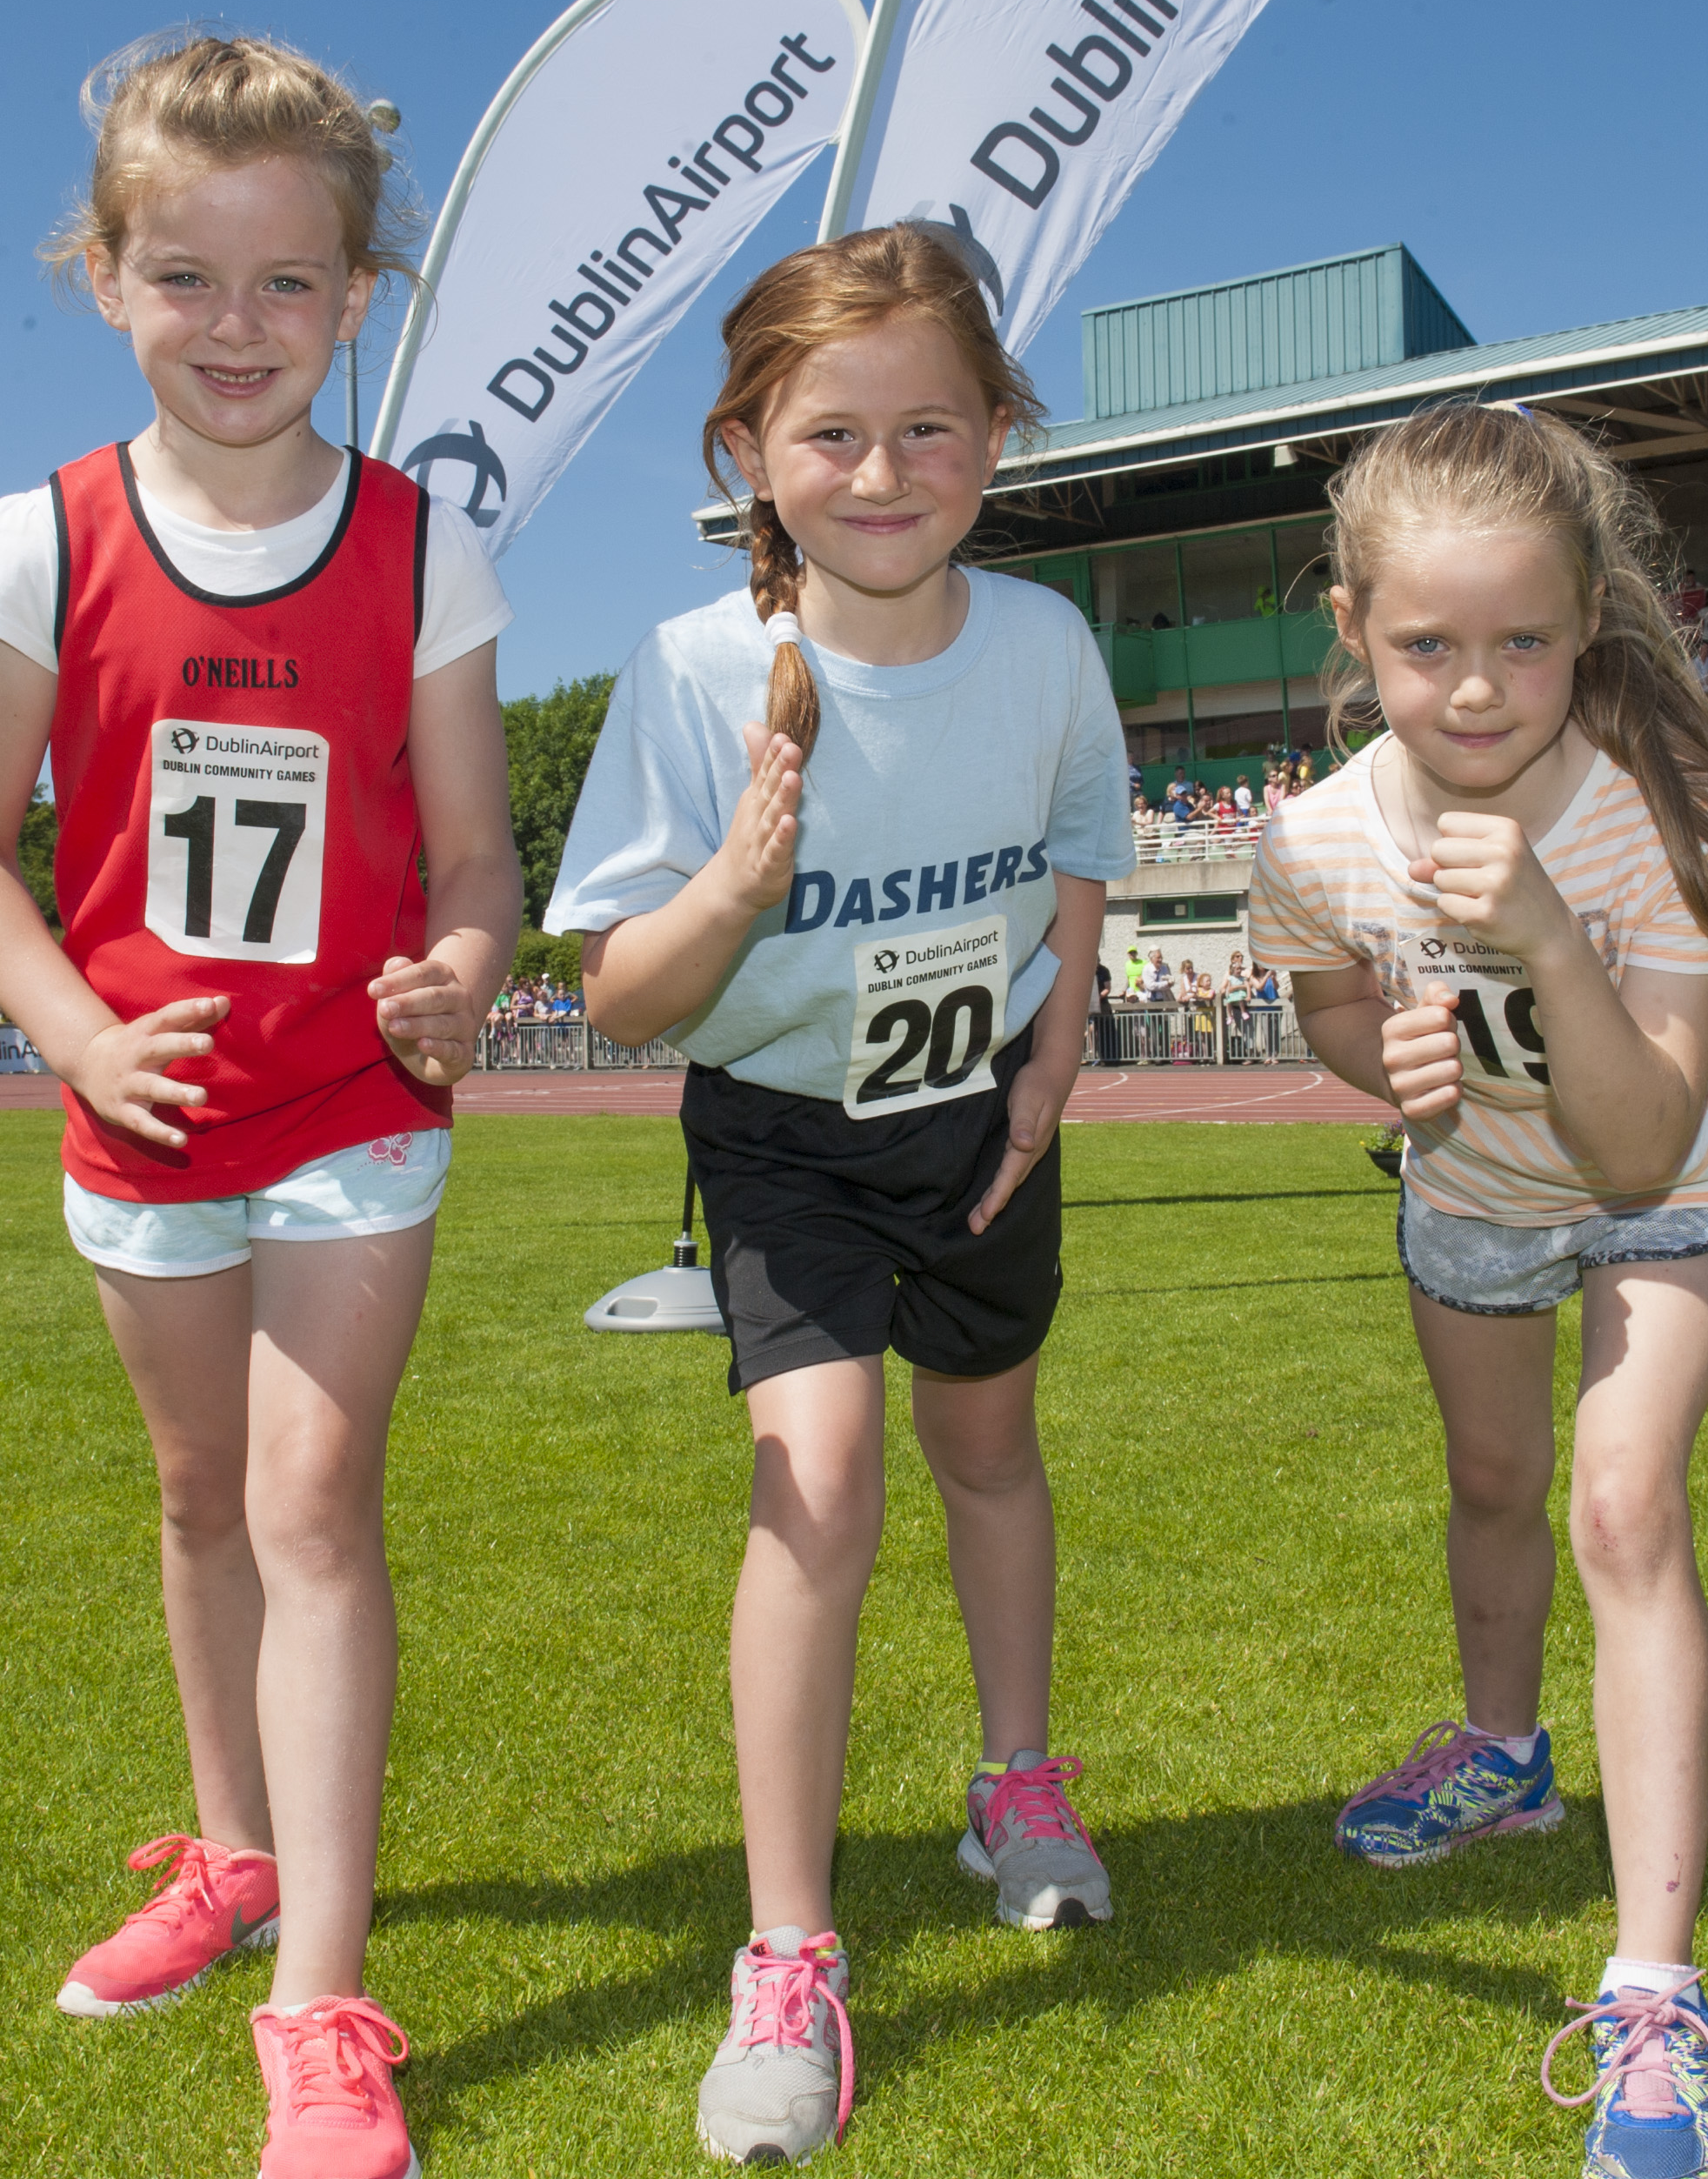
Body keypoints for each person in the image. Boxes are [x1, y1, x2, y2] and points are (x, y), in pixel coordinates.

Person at [0, 29, 517, 2179]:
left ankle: (322, 2005)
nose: (237, 324)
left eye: (287, 283)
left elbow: (477, 855)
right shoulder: (42, 537)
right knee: (198, 1501)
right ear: (106, 277)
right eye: (186, 276)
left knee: (313, 1498)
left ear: (357, 295)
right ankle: (236, 1850)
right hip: (145, 1120)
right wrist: (78, 1037)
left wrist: (464, 971)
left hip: (354, 1104)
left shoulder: (418, 547)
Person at [544, 225, 1129, 2169]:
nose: (884, 473)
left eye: (931, 427)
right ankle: (787, 1948)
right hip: (785, 1135)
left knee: (989, 1451)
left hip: (983, 1124)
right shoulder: (692, 672)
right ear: (747, 450)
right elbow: (625, 997)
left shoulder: (1043, 644)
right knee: (818, 1485)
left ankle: (1015, 1787)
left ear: (997, 435)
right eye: (832, 433)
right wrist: (733, 881)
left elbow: (1075, 849)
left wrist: (1055, 1049)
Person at [1248, 401, 1708, 2179]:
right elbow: (1332, 997)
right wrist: (1377, 1061)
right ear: (1354, 629)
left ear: (1586, 624)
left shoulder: (1659, 818)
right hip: (1472, 1199)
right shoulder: (1314, 837)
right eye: (1426, 647)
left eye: (1523, 644)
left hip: (1656, 1192)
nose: (1476, 690)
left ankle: (1655, 1997)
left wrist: (1548, 931)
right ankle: (1502, 1755)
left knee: (1622, 1509)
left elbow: (1637, 1145)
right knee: (1491, 1485)